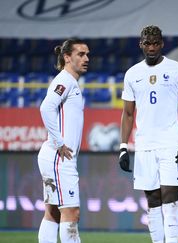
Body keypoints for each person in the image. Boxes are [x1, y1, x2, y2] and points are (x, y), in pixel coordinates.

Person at [118, 25, 178, 243]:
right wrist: (123, 147)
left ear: (162, 44)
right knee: (152, 201)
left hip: (170, 143)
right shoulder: (132, 73)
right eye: (147, 43)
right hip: (143, 146)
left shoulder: (177, 69)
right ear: (141, 44)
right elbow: (128, 113)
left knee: (170, 199)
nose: (151, 47)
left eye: (155, 43)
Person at [38, 38, 89, 243]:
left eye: (87, 54)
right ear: (67, 57)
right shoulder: (65, 80)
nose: (86, 58)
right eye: (81, 54)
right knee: (72, 213)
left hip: (54, 158)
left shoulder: (70, 81)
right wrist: (59, 142)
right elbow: (46, 108)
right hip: (59, 159)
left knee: (53, 213)